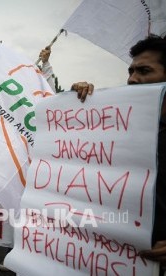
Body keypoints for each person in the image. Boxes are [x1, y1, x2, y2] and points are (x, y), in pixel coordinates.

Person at [71, 34, 166, 274]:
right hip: (116, 258)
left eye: (144, 71)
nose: (133, 79)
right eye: (131, 71)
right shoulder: (122, 126)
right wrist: (78, 106)